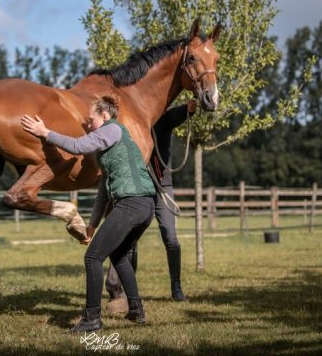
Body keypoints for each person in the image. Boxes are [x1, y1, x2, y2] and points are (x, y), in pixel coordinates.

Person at [21, 94, 156, 332]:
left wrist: (45, 133)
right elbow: (103, 192)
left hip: (132, 204)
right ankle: (136, 311)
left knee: (93, 258)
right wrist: (92, 226)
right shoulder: (110, 149)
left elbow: (77, 146)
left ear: (104, 116)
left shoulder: (113, 129)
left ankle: (92, 319)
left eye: (90, 120)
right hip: (144, 206)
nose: (88, 126)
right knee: (120, 256)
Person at [105, 100, 196, 307]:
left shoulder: (163, 118)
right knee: (131, 243)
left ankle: (176, 287)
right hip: (138, 186)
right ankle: (129, 291)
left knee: (170, 237)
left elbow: (181, 112)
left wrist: (191, 106)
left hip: (162, 186)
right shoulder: (130, 121)